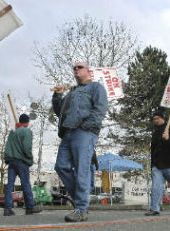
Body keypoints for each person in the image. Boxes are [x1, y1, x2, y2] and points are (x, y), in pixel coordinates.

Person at [52, 62, 108, 222]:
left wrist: (85, 126)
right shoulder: (72, 92)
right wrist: (57, 96)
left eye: (79, 67)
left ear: (88, 71)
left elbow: (100, 109)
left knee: (82, 168)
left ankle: (81, 209)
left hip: (84, 132)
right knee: (61, 166)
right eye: (74, 68)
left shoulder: (96, 87)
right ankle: (79, 199)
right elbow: (60, 112)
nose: (76, 70)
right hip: (67, 133)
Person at [145, 110, 170, 216]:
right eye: (154, 119)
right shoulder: (155, 133)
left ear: (162, 118)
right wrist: (152, 165)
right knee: (156, 187)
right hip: (157, 165)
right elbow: (153, 151)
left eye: (157, 118)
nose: (155, 120)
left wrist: (169, 139)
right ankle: (154, 209)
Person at [3, 114, 42, 216]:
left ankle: (7, 208)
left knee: (9, 185)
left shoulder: (13, 132)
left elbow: (7, 147)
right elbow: (26, 147)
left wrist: (7, 159)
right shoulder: (27, 131)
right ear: (27, 122)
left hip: (11, 161)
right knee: (25, 184)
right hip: (21, 161)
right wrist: (30, 159)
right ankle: (30, 207)